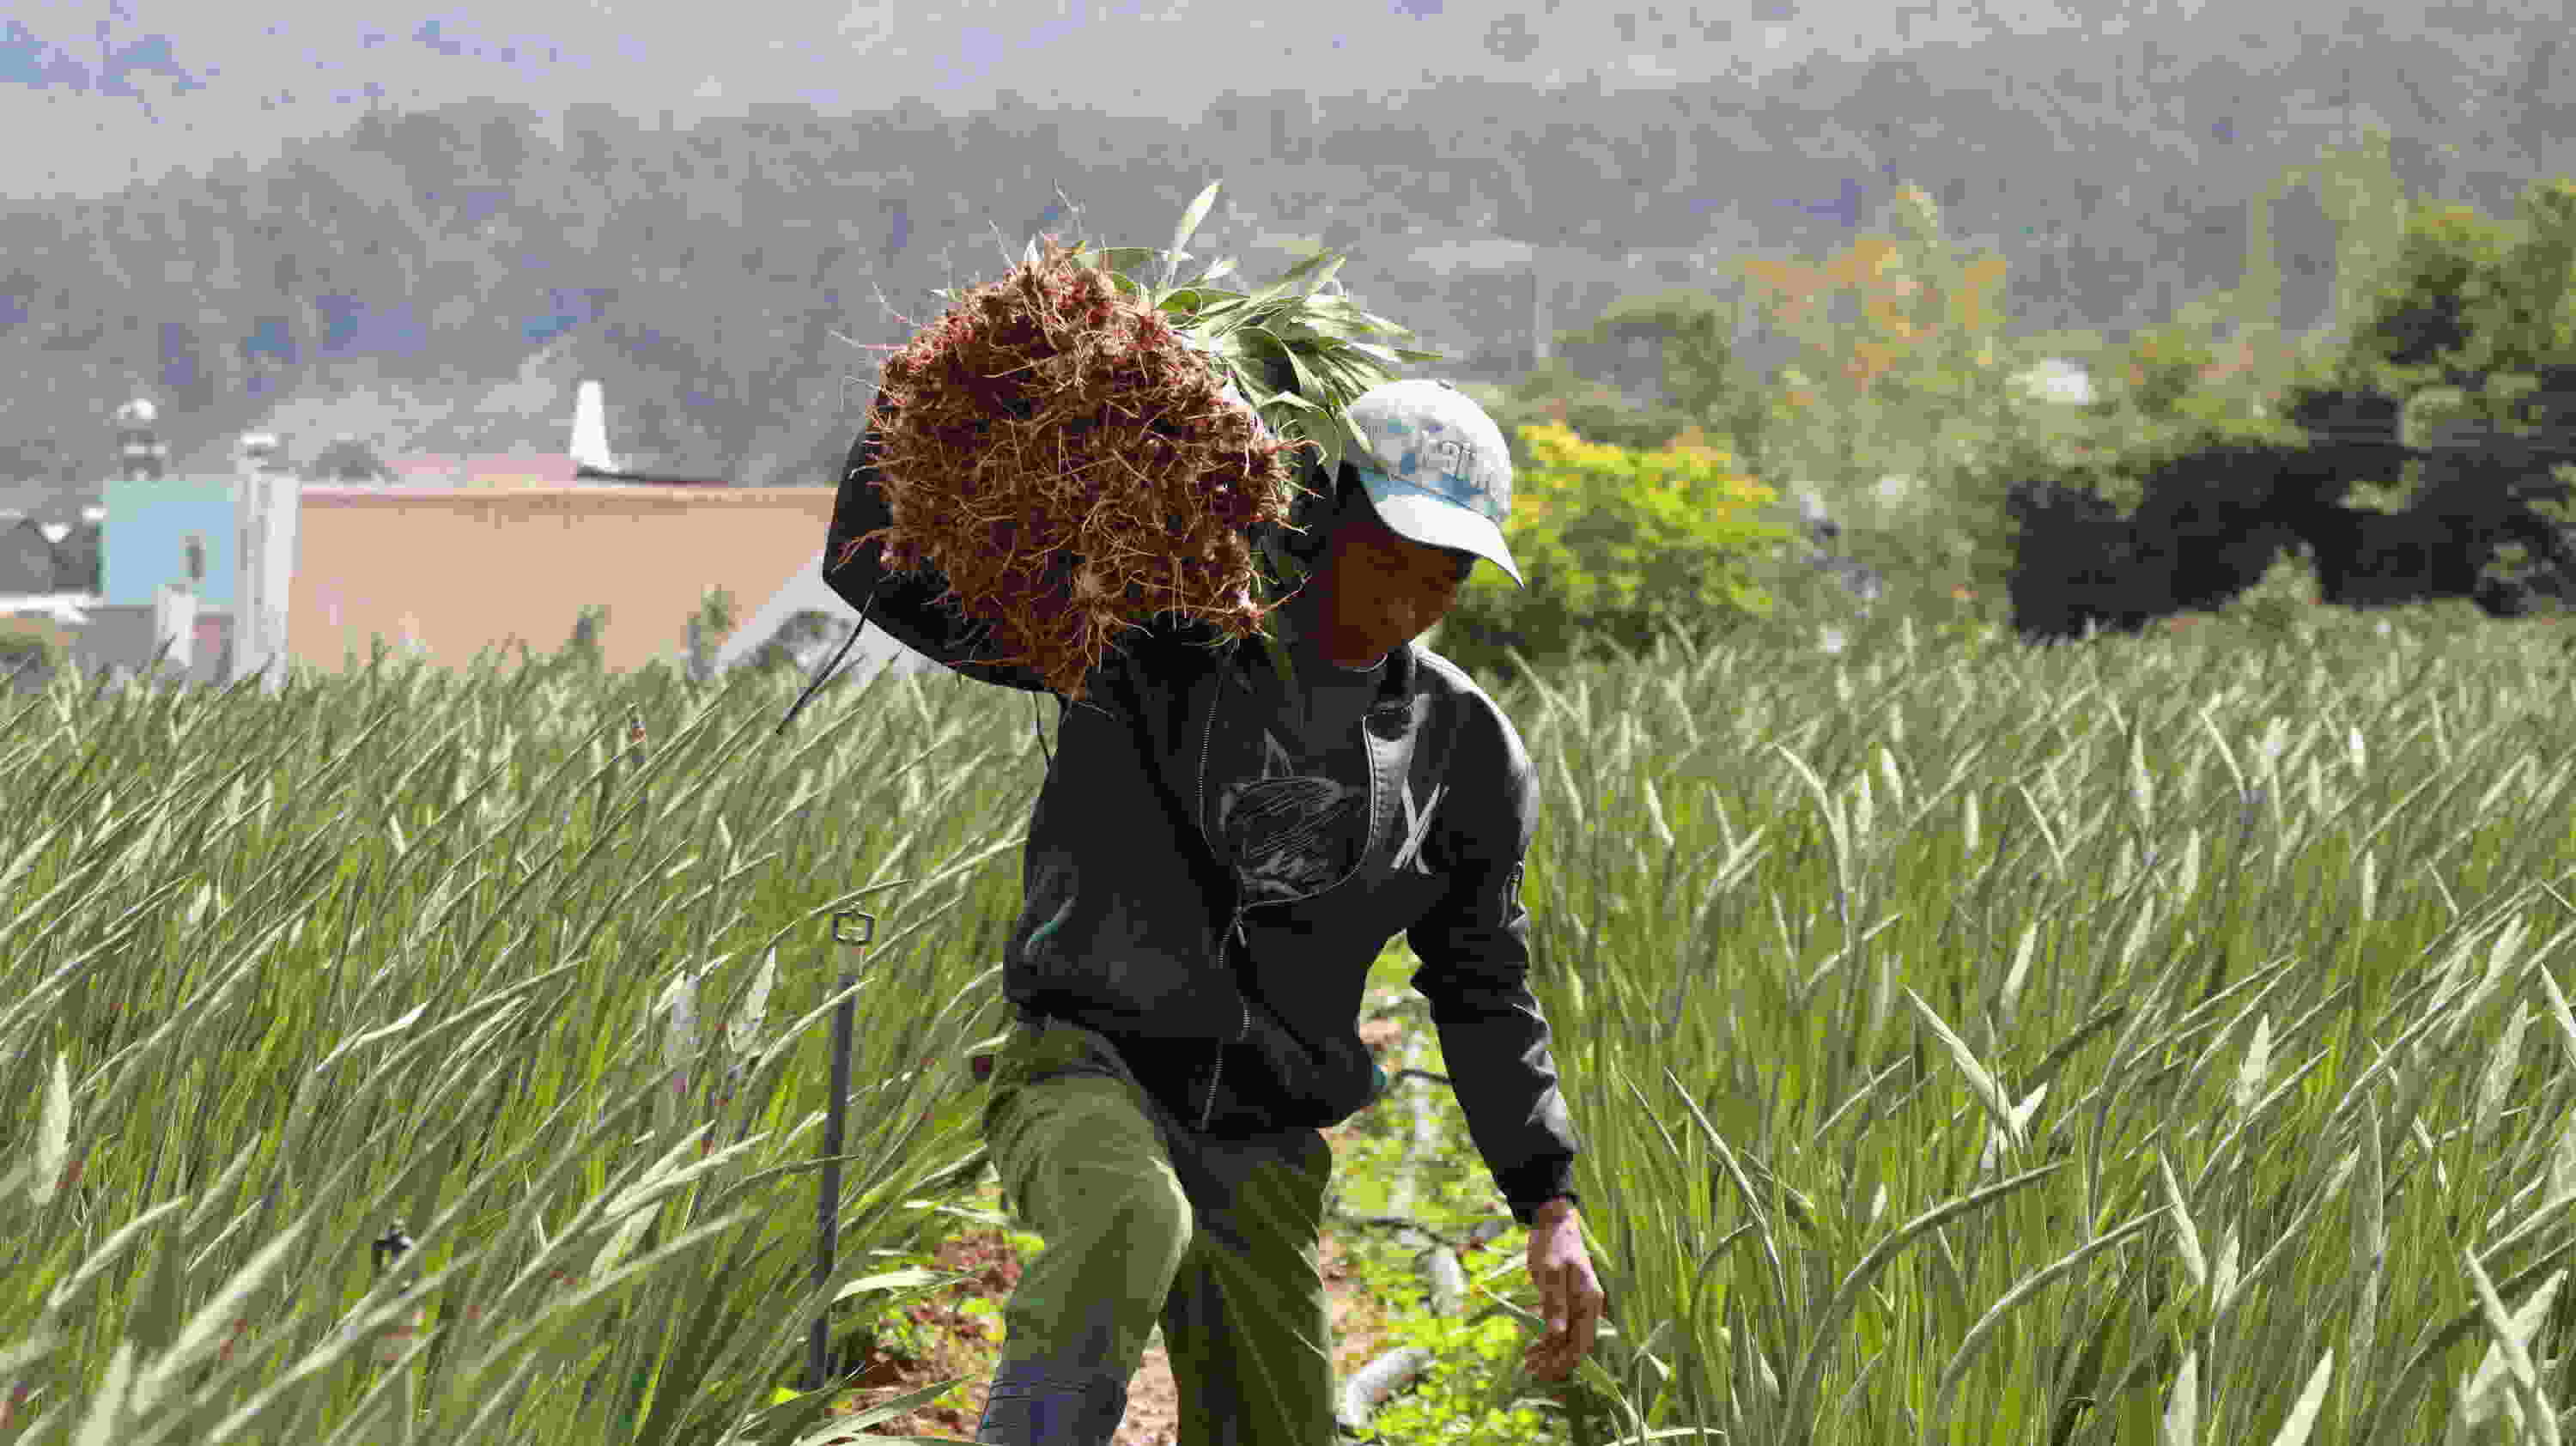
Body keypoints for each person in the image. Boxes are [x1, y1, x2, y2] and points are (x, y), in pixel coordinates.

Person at [821, 376, 1604, 1445]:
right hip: (1090, 1062)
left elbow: (1483, 987)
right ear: (1323, 519)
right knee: (1128, 1219)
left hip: (1264, 1124)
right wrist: (928, 405)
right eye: (1391, 556)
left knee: (1278, 1424)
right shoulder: (1162, 645)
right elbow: (892, 582)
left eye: (1448, 576)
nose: (1413, 598)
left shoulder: (1461, 750)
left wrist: (1548, 1204)